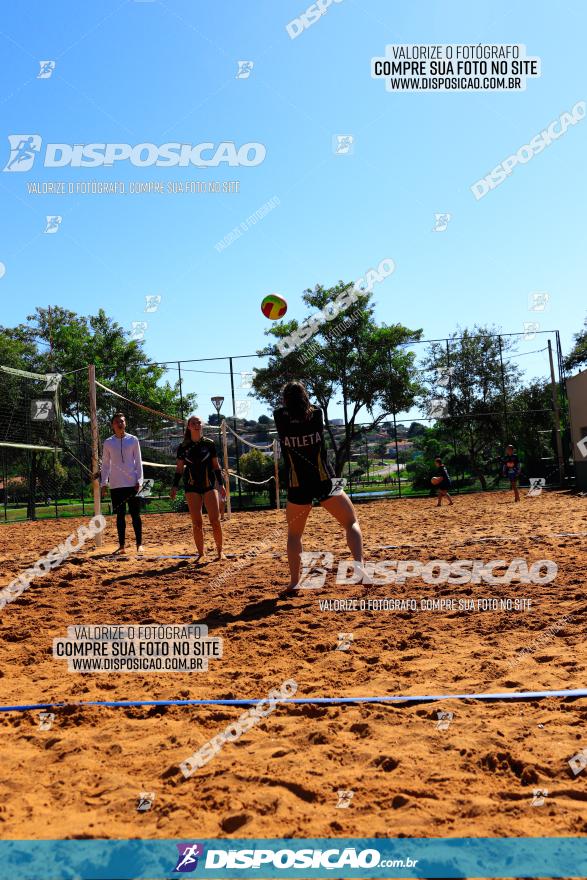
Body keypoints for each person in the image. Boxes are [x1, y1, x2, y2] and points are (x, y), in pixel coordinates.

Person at [273, 381, 364, 595]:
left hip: (297, 483)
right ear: (305, 397)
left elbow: (286, 411)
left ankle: (295, 583)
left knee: (294, 535)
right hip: (326, 479)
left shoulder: (279, 416)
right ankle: (360, 568)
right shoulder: (317, 414)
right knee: (351, 522)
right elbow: (307, 409)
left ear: (285, 400)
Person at [170, 416, 226, 560]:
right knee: (197, 523)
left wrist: (221, 484)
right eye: (193, 423)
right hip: (191, 486)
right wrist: (175, 486)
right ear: (189, 427)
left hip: (209, 485)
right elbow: (179, 469)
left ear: (202, 426)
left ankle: (220, 552)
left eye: (199, 423)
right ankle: (201, 554)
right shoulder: (183, 447)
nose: (196, 425)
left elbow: (215, 465)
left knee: (215, 520)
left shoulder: (209, 444)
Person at [100, 413, 144, 554]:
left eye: (122, 421)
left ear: (125, 424)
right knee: (120, 515)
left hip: (132, 484)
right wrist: (104, 483)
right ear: (112, 425)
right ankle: (122, 546)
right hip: (116, 485)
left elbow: (138, 461)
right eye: (117, 422)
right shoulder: (108, 442)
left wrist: (140, 480)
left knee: (135, 515)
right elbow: (105, 465)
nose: (120, 424)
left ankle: (139, 544)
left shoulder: (133, 440)